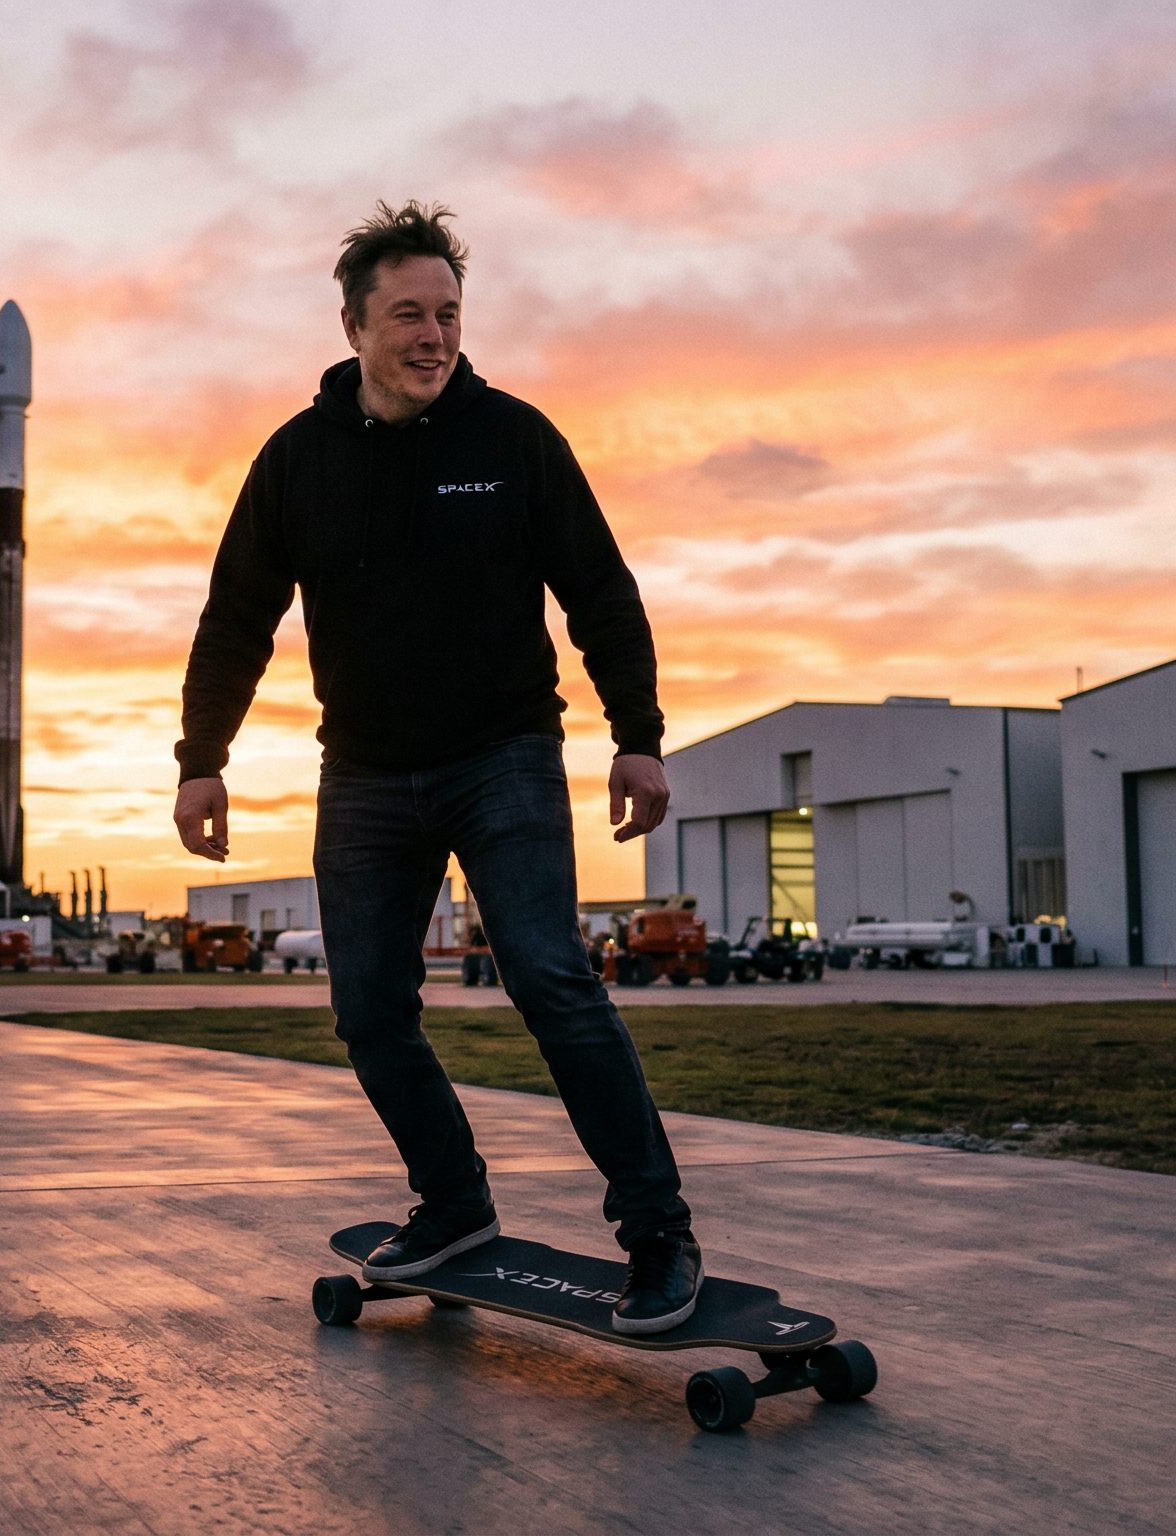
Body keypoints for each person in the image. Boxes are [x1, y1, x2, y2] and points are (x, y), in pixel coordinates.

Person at [171, 202, 697, 1334]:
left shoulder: (513, 440)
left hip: (503, 756)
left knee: (550, 980)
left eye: (449, 314)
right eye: (408, 314)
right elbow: (236, 618)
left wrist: (637, 733)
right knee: (368, 1011)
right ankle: (453, 1202)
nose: (434, 336)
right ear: (354, 326)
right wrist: (202, 759)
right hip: (364, 773)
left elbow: (601, 592)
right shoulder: (297, 460)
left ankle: (659, 1234)